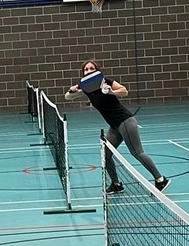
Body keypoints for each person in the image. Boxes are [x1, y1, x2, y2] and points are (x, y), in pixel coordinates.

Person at [66, 60, 168, 193]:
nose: (89, 71)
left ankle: (160, 180)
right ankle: (116, 184)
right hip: (114, 126)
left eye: (92, 68)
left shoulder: (106, 81)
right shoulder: (85, 87)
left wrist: (111, 92)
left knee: (137, 152)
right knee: (106, 155)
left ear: (97, 71)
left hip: (125, 121)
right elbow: (68, 97)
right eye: (86, 69)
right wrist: (72, 90)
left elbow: (124, 91)